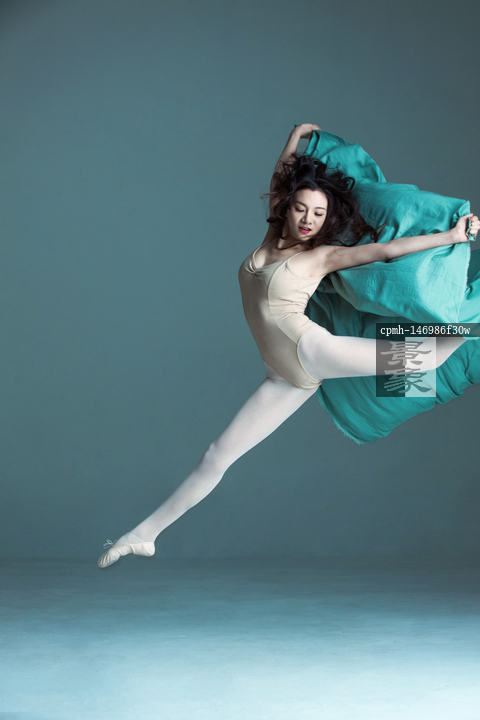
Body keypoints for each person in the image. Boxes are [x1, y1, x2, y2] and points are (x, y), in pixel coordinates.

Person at [97, 123, 479, 568]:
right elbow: (280, 178)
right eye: (301, 209)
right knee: (216, 456)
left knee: (424, 358)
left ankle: (474, 321)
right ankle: (143, 535)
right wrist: (295, 137)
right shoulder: (269, 239)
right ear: (288, 208)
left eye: (318, 214)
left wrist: (452, 237)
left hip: (310, 350)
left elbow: (388, 251)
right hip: (282, 377)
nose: (308, 219)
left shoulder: (320, 256)